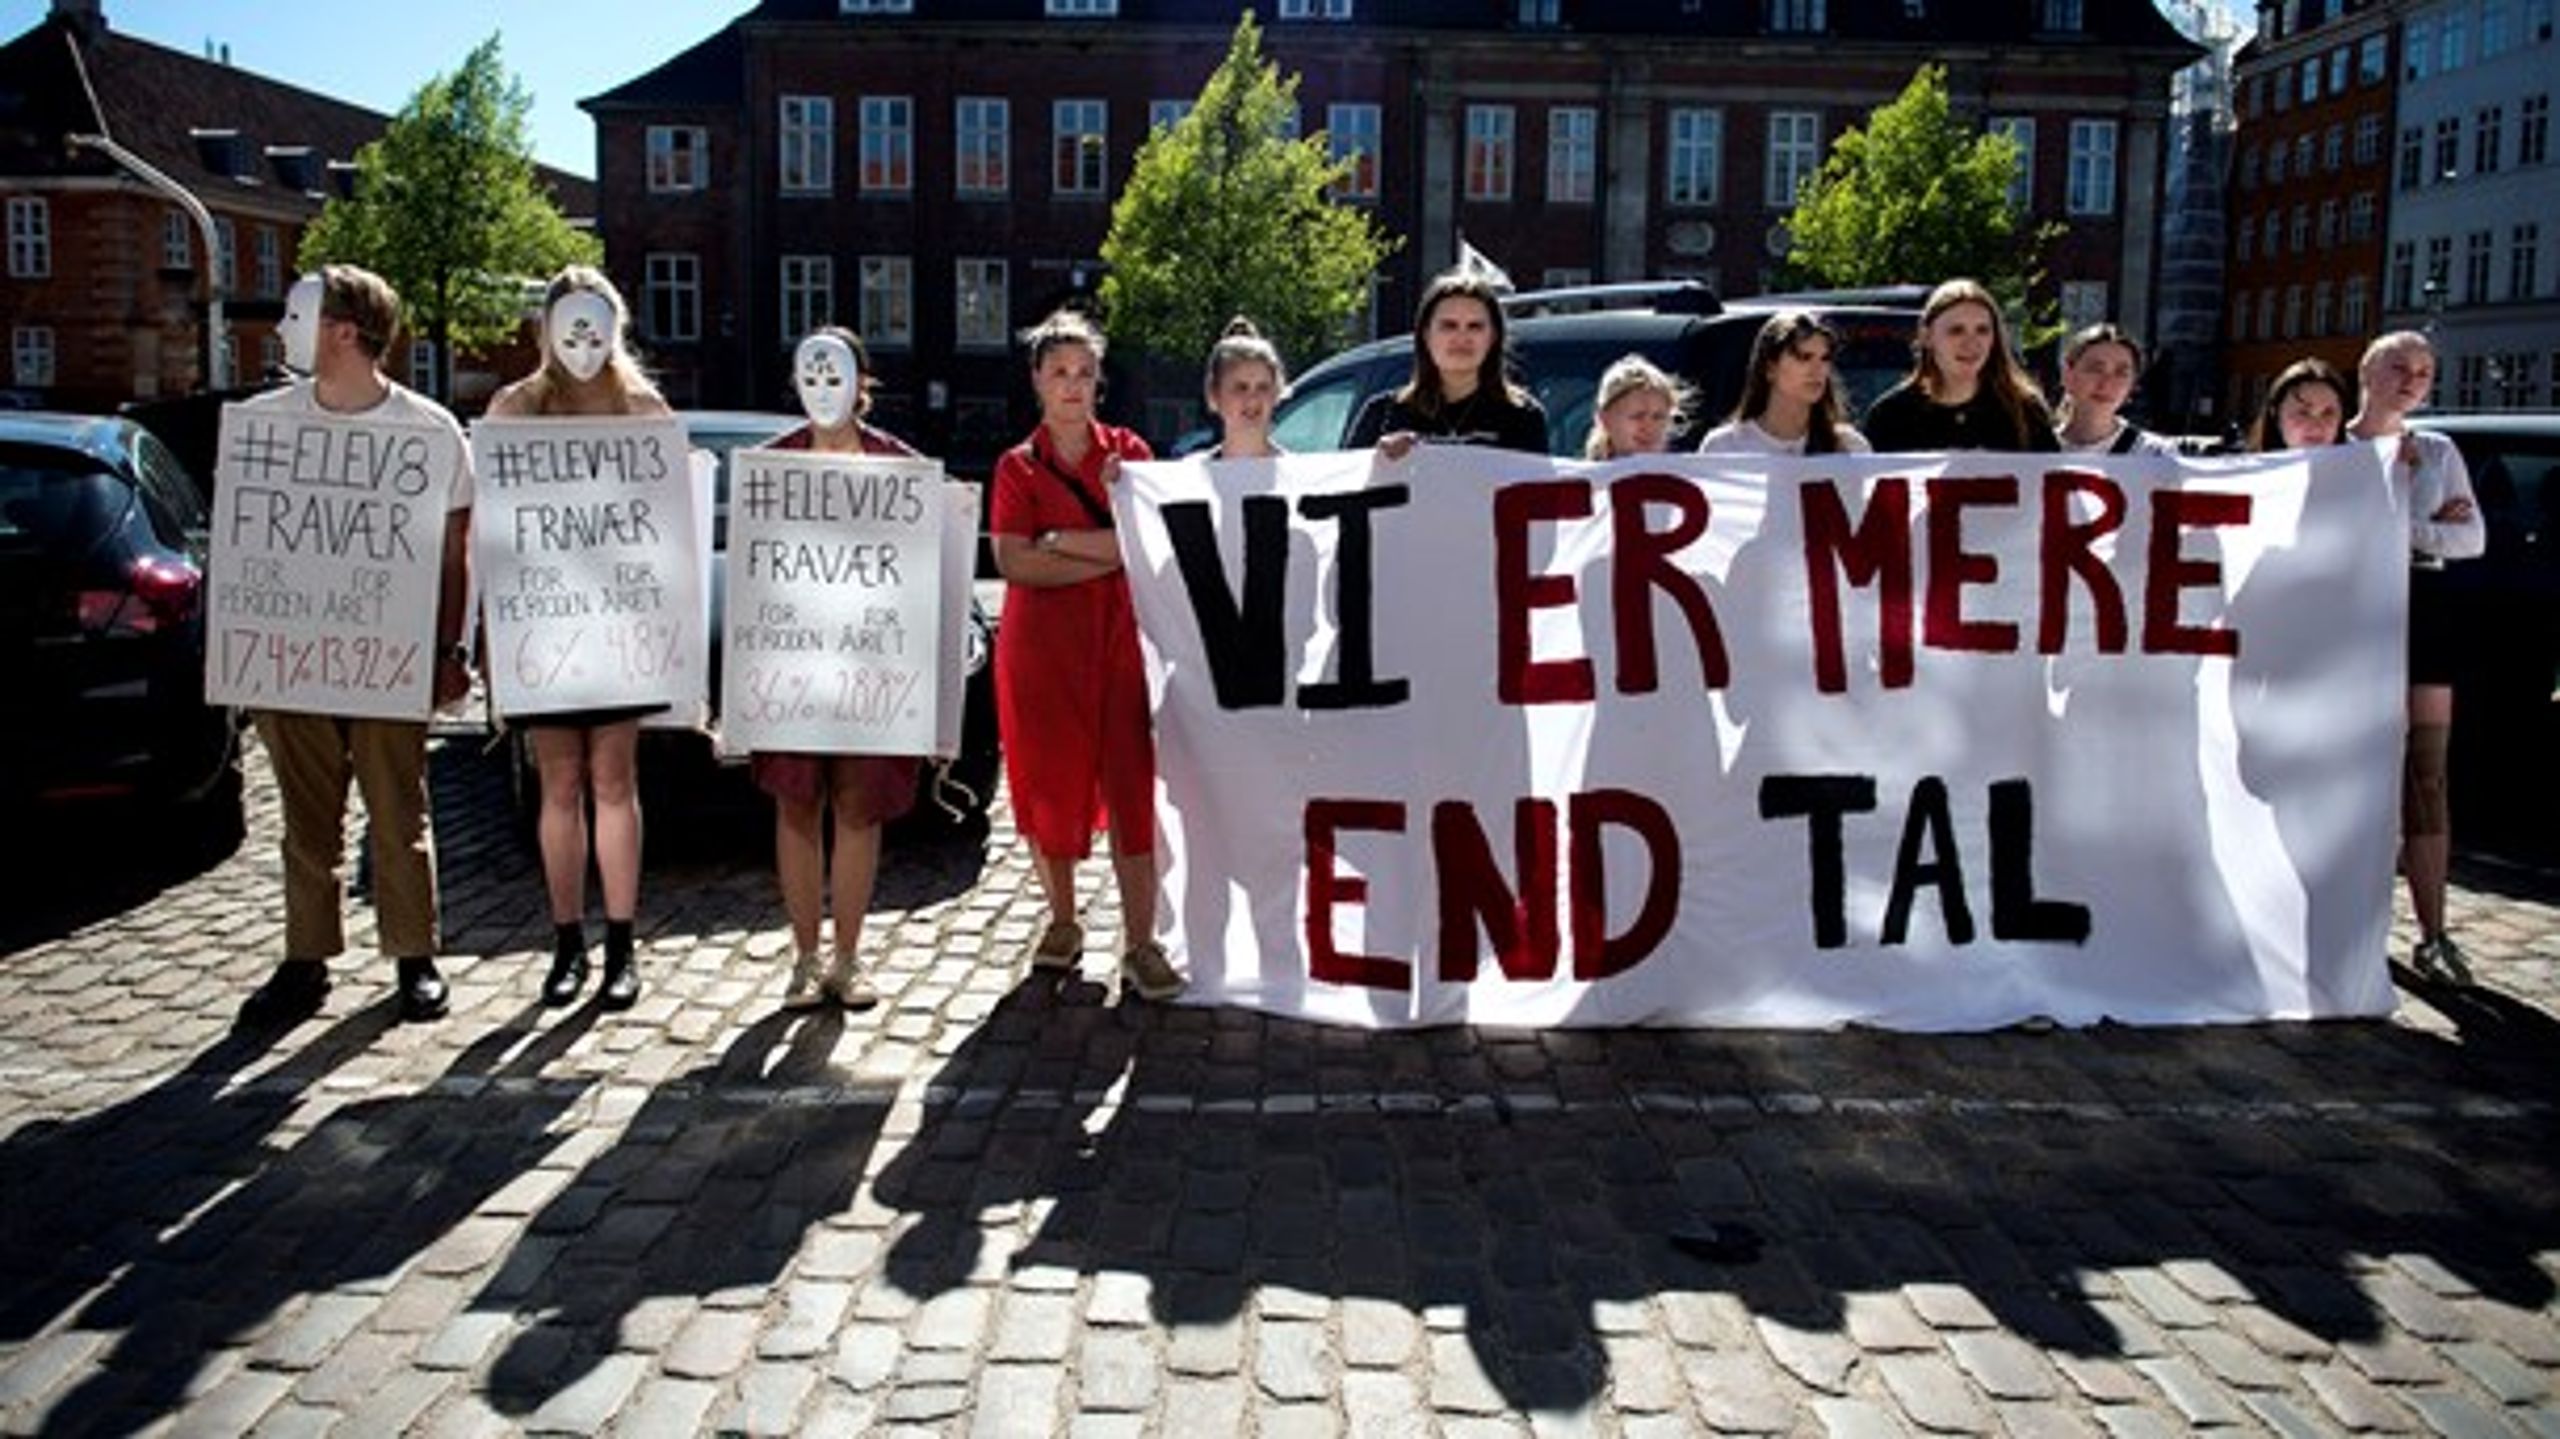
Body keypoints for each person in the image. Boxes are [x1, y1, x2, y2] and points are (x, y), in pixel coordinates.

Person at [236, 265, 474, 1027]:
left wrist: (447, 650)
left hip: (387, 655)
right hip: (296, 658)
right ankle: (306, 958)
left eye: (297, 314)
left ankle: (414, 955)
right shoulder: (265, 424)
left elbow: (452, 550)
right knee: (306, 817)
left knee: (398, 810)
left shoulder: (428, 431)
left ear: (344, 332)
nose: (281, 329)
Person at [485, 265, 675, 1011]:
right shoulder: (515, 409)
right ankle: (566, 940)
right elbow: (496, 538)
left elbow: (668, 532)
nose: (584, 343)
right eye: (569, 327)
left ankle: (623, 944)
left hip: (618, 621)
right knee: (558, 783)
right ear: (545, 333)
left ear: (616, 327)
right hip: (547, 623)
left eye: (597, 327)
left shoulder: (644, 410)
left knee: (614, 780)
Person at [988, 309, 1185, 1001]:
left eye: (1083, 371)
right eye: (1058, 371)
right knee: (1049, 786)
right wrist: (1102, 553)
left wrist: (1058, 541)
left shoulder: (1128, 452)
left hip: (1121, 645)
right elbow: (1014, 563)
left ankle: (1140, 940)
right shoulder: (1017, 465)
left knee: (1132, 787)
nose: (1072, 384)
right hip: (1041, 651)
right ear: (1038, 379)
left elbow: (1147, 545)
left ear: (1099, 379)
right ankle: (1063, 919)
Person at [756, 326, 925, 1012]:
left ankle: (848, 958)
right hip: (792, 665)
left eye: (838, 376)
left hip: (868, 667)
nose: (825, 390)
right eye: (812, 376)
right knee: (797, 804)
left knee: (858, 810)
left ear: (862, 383)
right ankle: (803, 956)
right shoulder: (770, 470)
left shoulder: (901, 469)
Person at [2347, 330, 2487, 984]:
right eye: (2398, 367)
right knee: (2344, 773)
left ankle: (2434, 933)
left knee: (2426, 775)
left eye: (2425, 372)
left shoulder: (2436, 449)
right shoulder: (2330, 444)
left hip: (2422, 612)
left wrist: (2396, 526)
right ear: (2367, 372)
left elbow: (2471, 538)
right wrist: (2425, 524)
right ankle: (2345, 925)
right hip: (2342, 618)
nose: (2411, 380)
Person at [1346, 268, 1549, 457]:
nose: (1462, 337)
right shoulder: (1383, 415)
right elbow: (1345, 488)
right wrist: (1376, 461)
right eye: (1449, 326)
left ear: (1493, 337)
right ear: (1426, 335)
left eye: (1475, 326)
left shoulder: (1523, 417)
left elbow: (1538, 491)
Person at [1860, 278, 2060, 453]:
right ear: (1926, 336)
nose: (1971, 344)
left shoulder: (2026, 412)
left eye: (1982, 330)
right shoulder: (1890, 417)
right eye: (1956, 331)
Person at [1697, 311, 1875, 456]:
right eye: (1804, 358)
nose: (1817, 370)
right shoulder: (1725, 447)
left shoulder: (1851, 447)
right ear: (1770, 368)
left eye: (1825, 358)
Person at [2052, 323, 2181, 456]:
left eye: (2121, 373)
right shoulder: (2035, 447)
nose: (2106, 384)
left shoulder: (2155, 453)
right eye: (2095, 369)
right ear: (2067, 374)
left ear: (2132, 384)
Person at [1204, 316, 1287, 459]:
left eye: (1263, 387)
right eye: (1240, 388)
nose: (1252, 399)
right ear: (1214, 394)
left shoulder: (1301, 475)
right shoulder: (1190, 475)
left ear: (1277, 392)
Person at [1583, 353, 1687, 459]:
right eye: (1637, 416)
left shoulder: (1690, 474)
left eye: (1658, 417)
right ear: (1605, 420)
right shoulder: (1581, 475)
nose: (1649, 427)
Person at [2247, 358, 2352, 452]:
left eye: (2328, 413)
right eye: (2303, 413)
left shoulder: (2358, 469)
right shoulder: (2244, 471)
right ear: (2276, 414)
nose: (2316, 426)